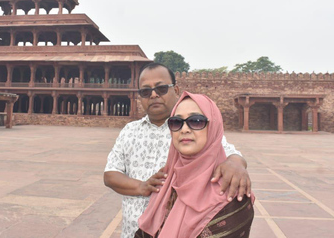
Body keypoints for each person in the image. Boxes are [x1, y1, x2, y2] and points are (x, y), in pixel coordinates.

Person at [104, 63, 251, 238]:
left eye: (161, 88)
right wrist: (142, 187)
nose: (153, 95)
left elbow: (227, 152)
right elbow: (110, 174)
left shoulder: (191, 133)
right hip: (135, 228)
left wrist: (235, 163)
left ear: (176, 89)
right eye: (145, 91)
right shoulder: (130, 131)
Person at [135, 92, 254, 238]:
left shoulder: (232, 192)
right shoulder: (166, 184)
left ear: (213, 127)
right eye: (176, 122)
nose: (184, 129)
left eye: (196, 121)